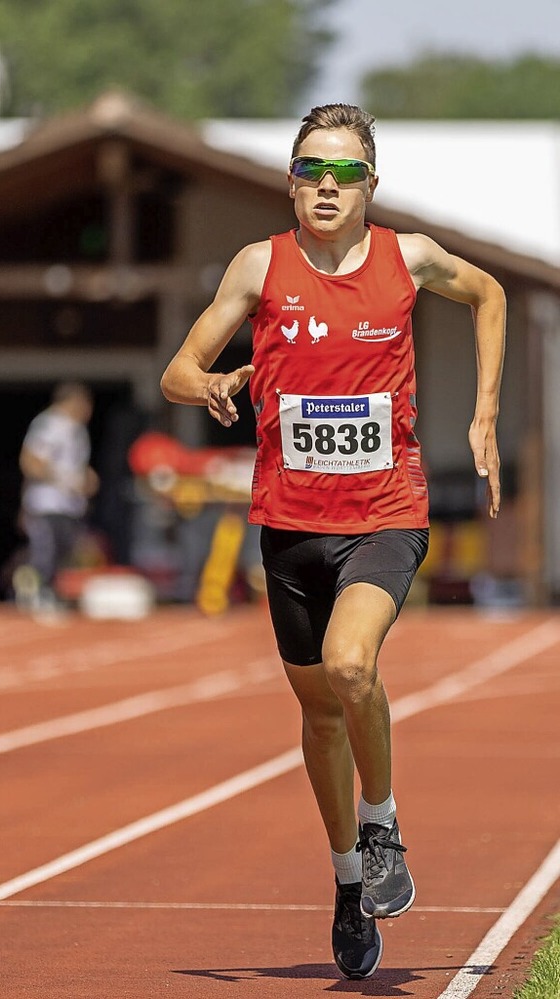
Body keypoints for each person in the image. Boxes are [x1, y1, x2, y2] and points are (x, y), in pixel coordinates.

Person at [160, 103, 505, 980]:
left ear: (370, 185)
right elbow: (176, 369)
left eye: (346, 172)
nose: (327, 184)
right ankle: (350, 881)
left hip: (385, 515)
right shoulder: (259, 265)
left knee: (353, 665)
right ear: (290, 178)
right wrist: (211, 383)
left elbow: (491, 295)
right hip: (290, 526)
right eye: (312, 168)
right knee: (318, 713)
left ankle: (382, 822)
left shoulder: (409, 257)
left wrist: (485, 414)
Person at [17, 382, 99, 610]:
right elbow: (30, 462)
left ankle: (51, 593)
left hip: (69, 506)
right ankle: (34, 593)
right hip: (47, 503)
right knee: (46, 552)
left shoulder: (78, 430)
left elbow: (74, 466)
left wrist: (86, 478)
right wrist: (69, 479)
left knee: (65, 554)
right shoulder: (49, 425)